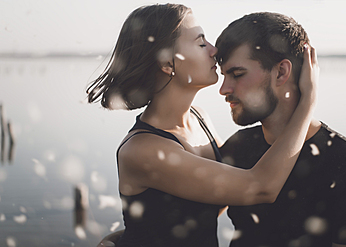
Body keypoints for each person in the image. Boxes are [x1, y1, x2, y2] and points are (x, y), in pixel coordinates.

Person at [87, 4, 317, 247]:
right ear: (167, 62)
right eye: (201, 43)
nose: (214, 50)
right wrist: (308, 102)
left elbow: (213, 200)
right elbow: (259, 187)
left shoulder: (200, 119)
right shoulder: (144, 150)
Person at [216, 12, 346, 247]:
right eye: (223, 75)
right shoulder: (238, 147)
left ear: (281, 72)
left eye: (237, 74)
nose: (224, 89)